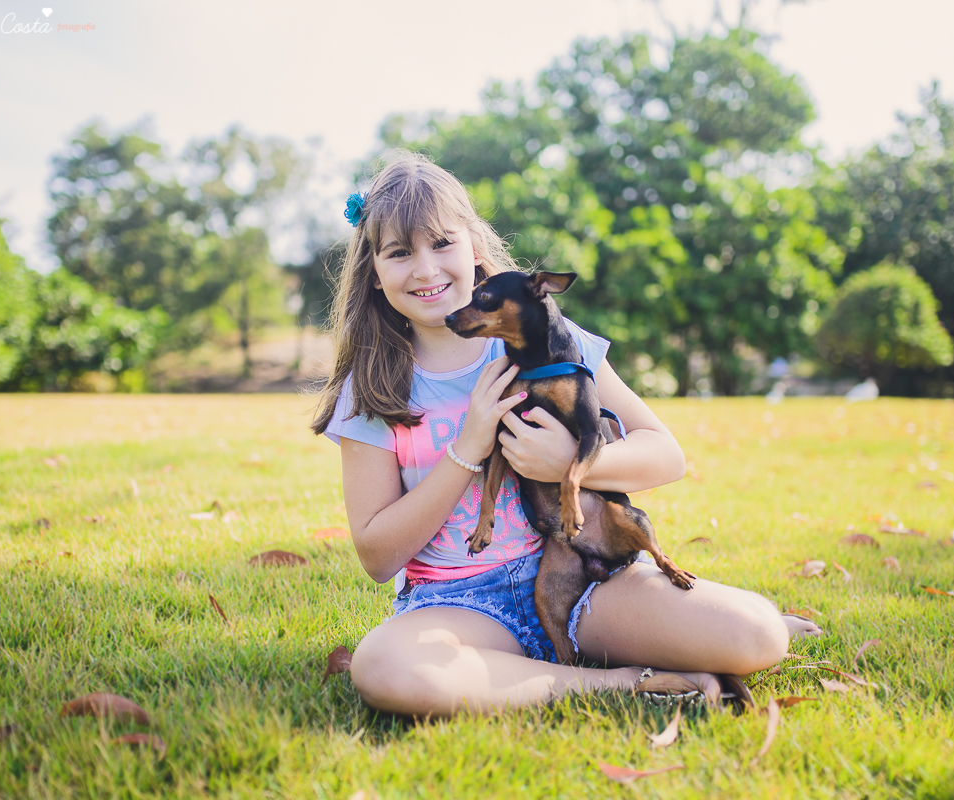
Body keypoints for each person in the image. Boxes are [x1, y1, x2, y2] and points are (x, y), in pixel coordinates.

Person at [312, 152, 812, 718]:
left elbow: (666, 455)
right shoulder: (374, 386)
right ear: (373, 271)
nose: (426, 270)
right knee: (384, 666)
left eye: (441, 243)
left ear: (474, 249)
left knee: (757, 636)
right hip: (457, 605)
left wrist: (570, 464)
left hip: (586, 580)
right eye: (400, 252)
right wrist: (466, 450)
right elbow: (377, 555)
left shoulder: (546, 337)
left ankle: (693, 632)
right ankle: (627, 681)